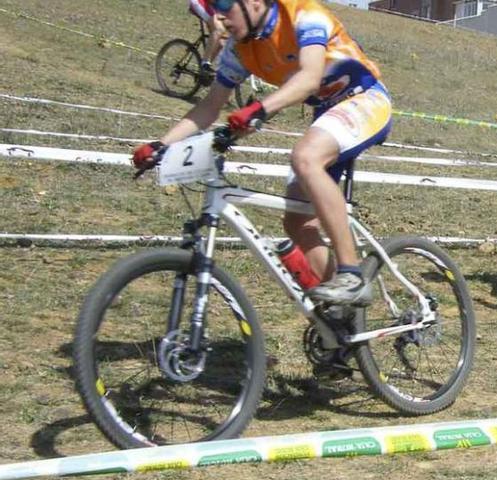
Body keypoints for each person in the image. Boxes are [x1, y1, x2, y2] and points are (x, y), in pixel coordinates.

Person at [133, 0, 393, 306]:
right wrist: (161, 144)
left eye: (223, 4)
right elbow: (210, 106)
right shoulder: (239, 48)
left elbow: (309, 77)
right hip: (326, 113)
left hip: (364, 99)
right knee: (297, 222)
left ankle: (352, 276)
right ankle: (342, 309)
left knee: (305, 157)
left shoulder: (303, 14)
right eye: (211, 7)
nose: (218, 16)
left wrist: (260, 108)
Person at [188, 0, 226, 72]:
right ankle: (205, 62)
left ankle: (204, 71)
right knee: (218, 29)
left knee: (221, 43)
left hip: (212, 5)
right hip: (200, 1)